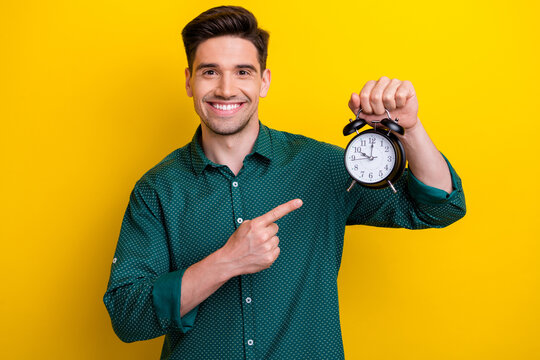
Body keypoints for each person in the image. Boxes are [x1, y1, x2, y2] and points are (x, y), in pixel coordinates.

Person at [103, 6, 466, 359]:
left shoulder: (323, 167)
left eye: (243, 72)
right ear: (189, 81)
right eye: (210, 72)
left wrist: (410, 130)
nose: (227, 89)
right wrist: (225, 262)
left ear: (264, 82)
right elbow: (127, 316)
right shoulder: (157, 189)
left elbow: (438, 207)